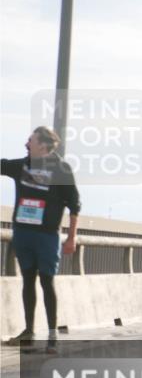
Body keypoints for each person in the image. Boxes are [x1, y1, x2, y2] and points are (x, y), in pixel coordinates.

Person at [2, 126, 80, 353]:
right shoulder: (22, 165)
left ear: (43, 145)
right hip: (23, 233)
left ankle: (53, 336)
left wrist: (71, 237)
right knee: (27, 281)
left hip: (47, 235)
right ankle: (29, 331)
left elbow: (74, 204)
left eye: (30, 141)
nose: (26, 144)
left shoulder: (61, 169)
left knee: (47, 282)